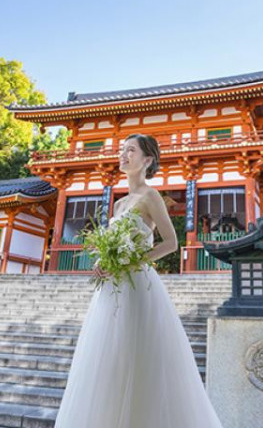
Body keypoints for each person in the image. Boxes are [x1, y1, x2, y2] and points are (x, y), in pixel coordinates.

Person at [54, 134, 224, 427]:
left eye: (130, 150)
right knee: (109, 359)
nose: (123, 155)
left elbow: (171, 242)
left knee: (139, 356)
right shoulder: (119, 205)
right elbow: (112, 243)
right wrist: (103, 261)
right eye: (122, 150)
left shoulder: (150, 195)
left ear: (147, 160)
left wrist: (130, 261)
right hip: (111, 290)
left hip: (138, 286)